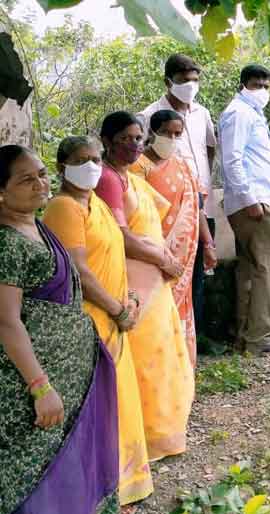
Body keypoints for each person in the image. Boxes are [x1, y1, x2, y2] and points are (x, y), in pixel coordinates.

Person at [0, 145, 118, 514]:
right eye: (26, 180)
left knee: (66, 464)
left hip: (67, 375)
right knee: (32, 474)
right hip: (30, 386)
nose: (40, 184)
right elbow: (6, 321)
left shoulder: (36, 225)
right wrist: (40, 386)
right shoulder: (7, 244)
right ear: (1, 191)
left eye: (41, 174)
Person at [42, 136, 155, 507]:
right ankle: (98, 487)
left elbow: (113, 257)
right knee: (96, 406)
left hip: (112, 315)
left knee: (115, 401)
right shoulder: (64, 207)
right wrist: (117, 309)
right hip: (90, 321)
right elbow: (79, 270)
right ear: (61, 167)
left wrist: (129, 299)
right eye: (81, 160)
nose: (91, 166)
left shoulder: (96, 204)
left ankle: (121, 482)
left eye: (95, 158)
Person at [95, 111, 194, 462]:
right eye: (125, 139)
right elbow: (122, 236)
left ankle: (163, 434)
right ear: (106, 141)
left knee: (161, 357)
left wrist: (164, 258)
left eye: (138, 138)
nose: (134, 145)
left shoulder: (129, 177)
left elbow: (151, 228)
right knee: (146, 361)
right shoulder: (108, 179)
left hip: (152, 278)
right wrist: (164, 260)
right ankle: (144, 439)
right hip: (134, 280)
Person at [138, 53, 217, 345]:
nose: (190, 86)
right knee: (162, 277)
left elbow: (210, 149)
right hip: (162, 212)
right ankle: (162, 342)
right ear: (168, 81)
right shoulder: (149, 115)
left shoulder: (202, 114)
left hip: (199, 206)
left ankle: (189, 342)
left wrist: (195, 185)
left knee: (196, 278)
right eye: (184, 80)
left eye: (195, 80)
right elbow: (142, 159)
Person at [131, 110, 218, 366]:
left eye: (177, 134)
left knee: (182, 305)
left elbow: (197, 208)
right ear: (152, 131)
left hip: (184, 256)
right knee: (154, 306)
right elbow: (135, 213)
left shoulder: (182, 164)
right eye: (166, 132)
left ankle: (180, 367)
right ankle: (156, 367)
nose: (171, 138)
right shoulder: (137, 167)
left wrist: (208, 243)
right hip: (151, 252)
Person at [219, 64, 270, 355]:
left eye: (265, 86)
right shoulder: (239, 113)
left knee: (250, 269)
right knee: (267, 270)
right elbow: (231, 159)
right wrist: (250, 200)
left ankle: (245, 337)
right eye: (256, 85)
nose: (262, 91)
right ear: (242, 86)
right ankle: (260, 339)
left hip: (255, 201)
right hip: (252, 203)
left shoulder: (250, 113)